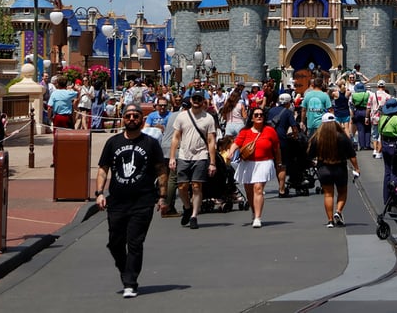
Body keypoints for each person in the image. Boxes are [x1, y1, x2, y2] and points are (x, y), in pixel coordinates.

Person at [94, 103, 167, 299]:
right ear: (123, 119)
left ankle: (130, 282)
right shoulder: (113, 142)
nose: (132, 119)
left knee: (135, 242)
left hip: (143, 200)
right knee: (115, 243)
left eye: (136, 116)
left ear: (142, 120)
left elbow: (161, 169)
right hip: (117, 201)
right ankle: (126, 271)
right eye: (128, 116)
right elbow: (103, 169)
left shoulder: (150, 144)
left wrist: (162, 196)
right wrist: (99, 192)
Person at [169, 91, 218, 230]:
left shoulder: (208, 118)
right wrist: (172, 157)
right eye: (194, 98)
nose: (196, 101)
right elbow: (176, 137)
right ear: (191, 100)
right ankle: (187, 207)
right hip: (184, 154)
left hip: (200, 155)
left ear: (203, 101)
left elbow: (211, 140)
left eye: (199, 99)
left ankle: (194, 216)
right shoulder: (182, 116)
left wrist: (212, 162)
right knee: (182, 186)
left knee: (197, 186)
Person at [226, 106, 282, 228]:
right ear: (251, 118)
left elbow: (276, 148)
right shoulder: (245, 131)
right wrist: (231, 152)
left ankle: (257, 217)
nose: (259, 116)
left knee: (258, 188)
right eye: (256, 115)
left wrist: (279, 162)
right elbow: (236, 143)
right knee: (249, 190)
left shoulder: (270, 131)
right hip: (248, 163)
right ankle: (253, 210)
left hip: (264, 162)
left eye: (261, 114)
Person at [307, 113, 359, 227]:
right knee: (342, 192)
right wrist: (356, 168)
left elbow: (309, 155)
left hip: (324, 168)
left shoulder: (317, 137)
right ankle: (338, 211)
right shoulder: (342, 137)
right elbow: (352, 155)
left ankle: (330, 220)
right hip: (339, 167)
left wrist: (313, 163)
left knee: (328, 194)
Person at [376, 97, 397, 205]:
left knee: (387, 171)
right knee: (396, 171)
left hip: (385, 145)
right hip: (395, 145)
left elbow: (380, 131)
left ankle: (386, 197)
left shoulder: (382, 118)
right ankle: (394, 197)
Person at [267, 93, 298, 197]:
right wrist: (295, 136)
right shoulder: (288, 112)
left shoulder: (271, 110)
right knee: (282, 164)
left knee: (276, 164)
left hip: (270, 139)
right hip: (281, 139)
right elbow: (294, 127)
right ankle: (282, 189)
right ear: (288, 103)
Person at [350, 82, 371, 150]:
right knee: (367, 128)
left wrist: (352, 115)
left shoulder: (354, 95)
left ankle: (362, 145)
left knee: (360, 129)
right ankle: (367, 145)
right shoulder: (367, 94)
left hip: (358, 112)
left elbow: (352, 105)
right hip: (366, 111)